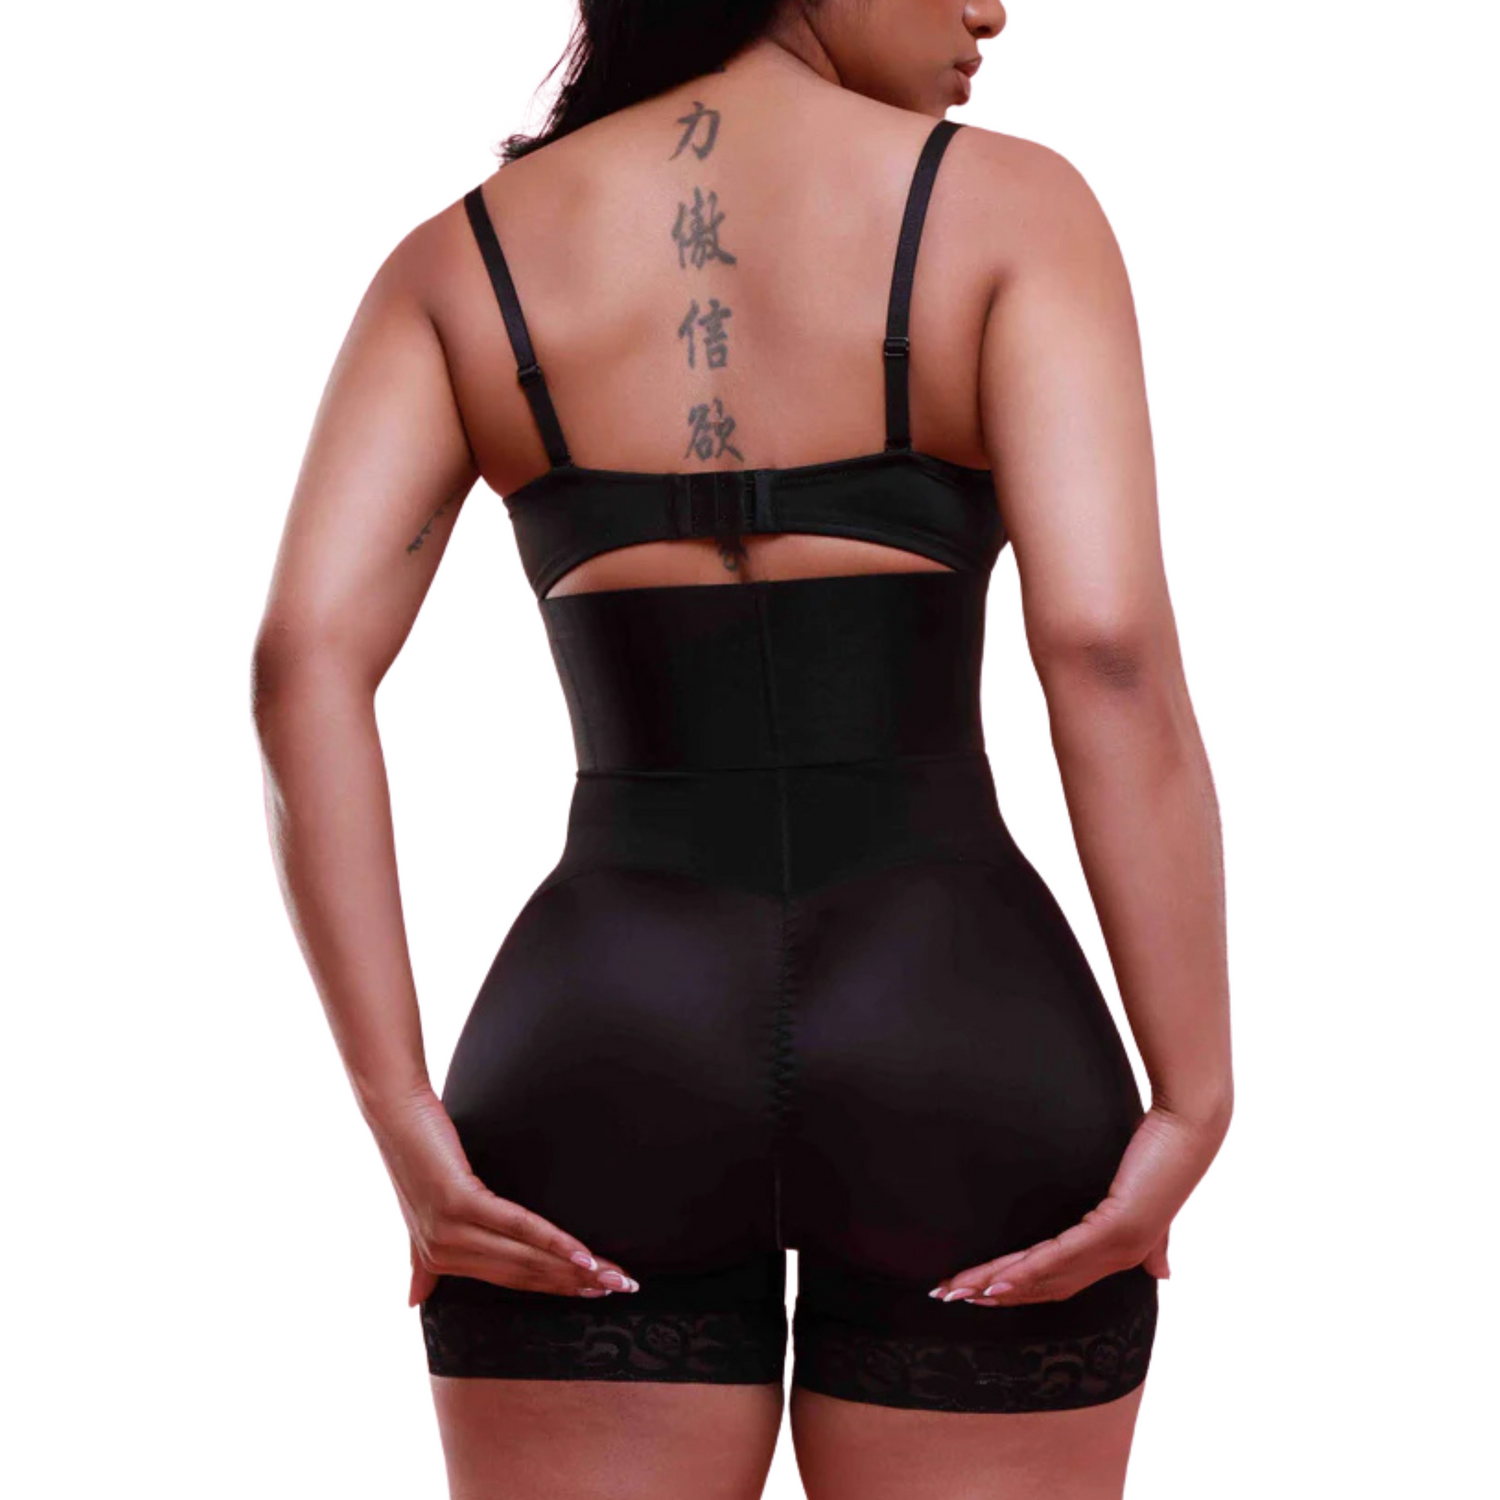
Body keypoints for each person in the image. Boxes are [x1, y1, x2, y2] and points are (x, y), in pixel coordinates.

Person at [252, 2, 1232, 1495]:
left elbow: (301, 663)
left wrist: (402, 1117)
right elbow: (1104, 647)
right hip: (961, 1017)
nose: (993, 7)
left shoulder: (463, 259)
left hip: (602, 1028)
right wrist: (1194, 1093)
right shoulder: (1015, 209)